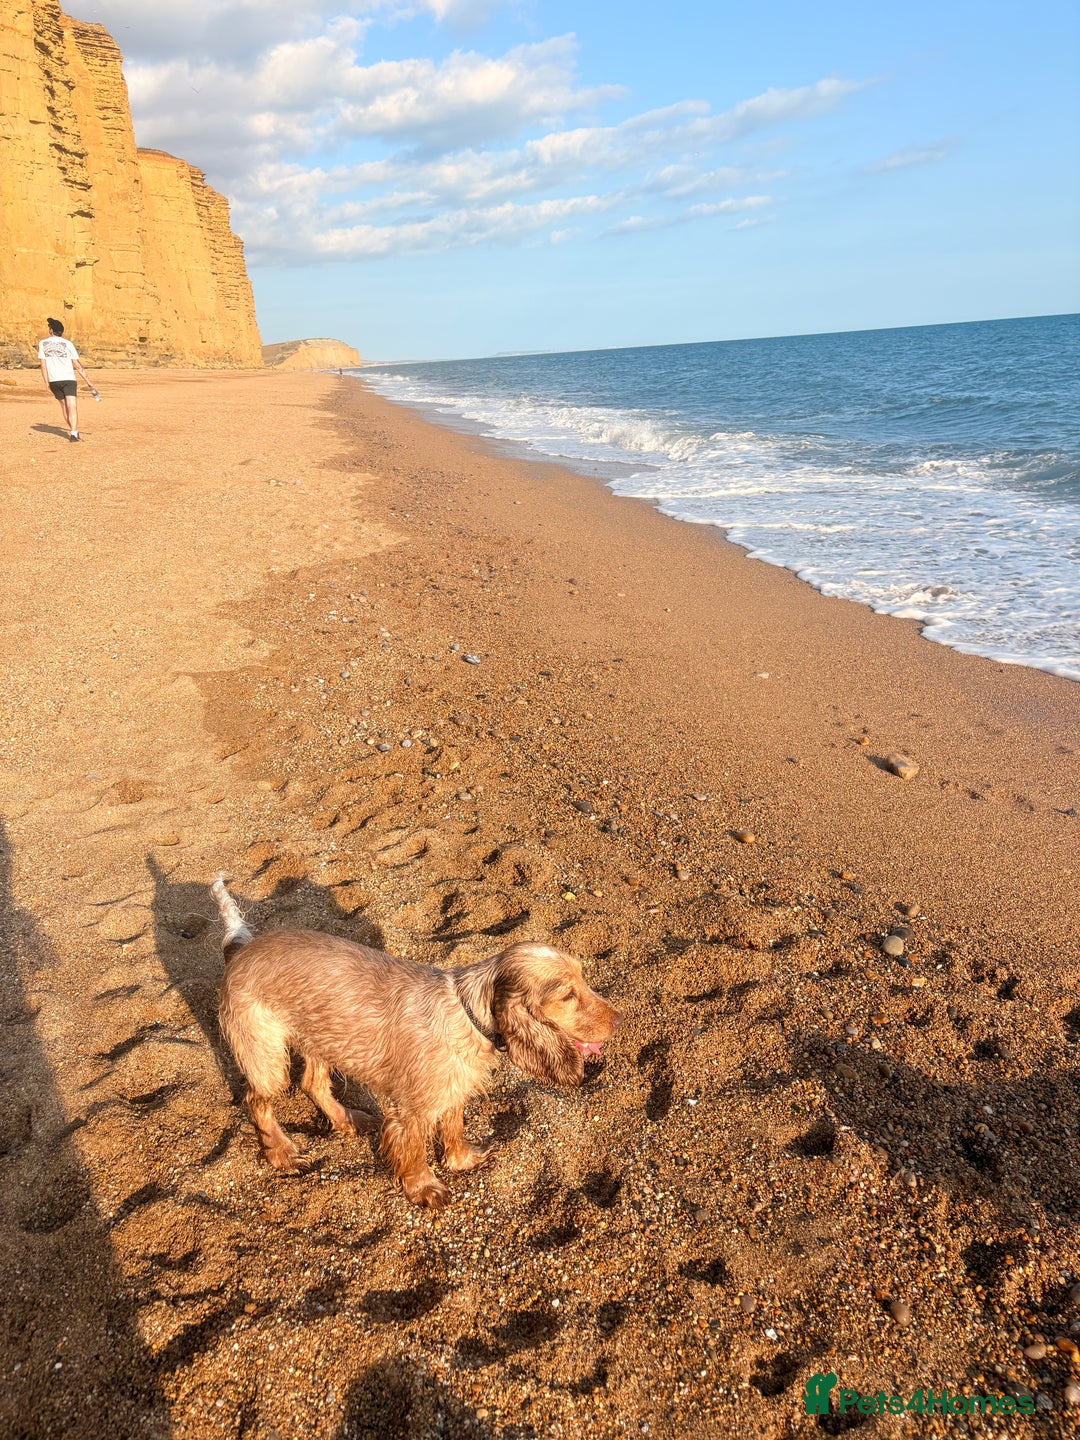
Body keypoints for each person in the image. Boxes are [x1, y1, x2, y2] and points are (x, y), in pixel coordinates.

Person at [37, 318, 94, 442]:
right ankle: (74, 434)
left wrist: (47, 383)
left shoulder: (42, 343)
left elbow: (43, 365)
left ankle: (75, 432)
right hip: (68, 379)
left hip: (54, 380)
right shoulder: (68, 344)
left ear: (51, 330)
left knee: (64, 407)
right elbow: (77, 365)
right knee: (72, 406)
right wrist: (88, 382)